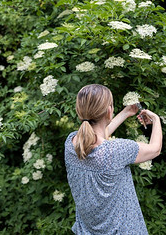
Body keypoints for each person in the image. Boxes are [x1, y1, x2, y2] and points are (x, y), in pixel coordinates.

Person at [64, 84, 162, 235]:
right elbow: (155, 149)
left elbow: (96, 137)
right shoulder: (116, 151)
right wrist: (156, 120)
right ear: (109, 111)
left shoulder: (71, 144)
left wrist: (126, 113)